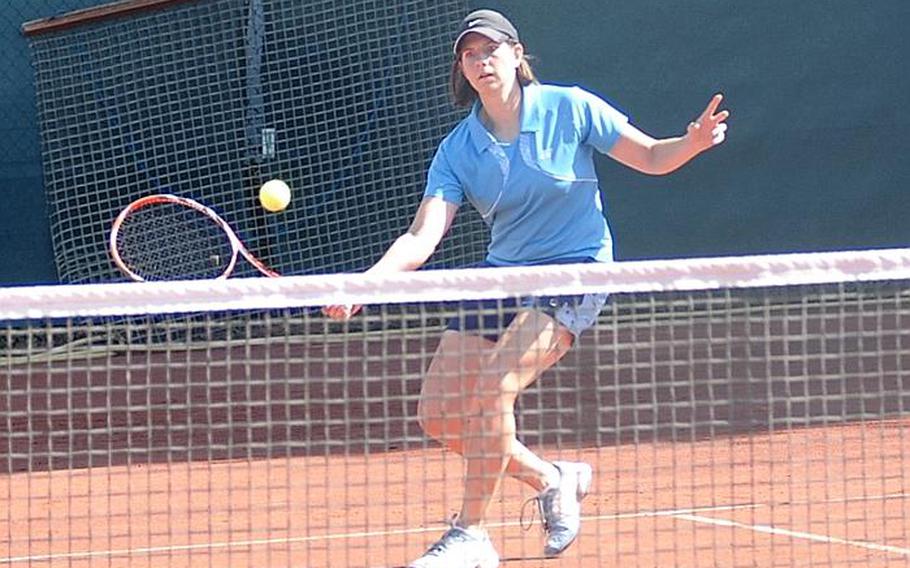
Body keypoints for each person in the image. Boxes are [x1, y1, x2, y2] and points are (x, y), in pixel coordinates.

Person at [324, 8, 729, 568]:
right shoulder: (459, 149)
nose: (481, 61)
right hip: (505, 272)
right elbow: (422, 234)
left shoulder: (571, 107)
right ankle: (552, 477)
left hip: (576, 268)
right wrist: (365, 284)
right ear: (463, 69)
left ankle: (470, 535)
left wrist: (692, 143)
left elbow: (652, 156)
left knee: (494, 388)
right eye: (470, 54)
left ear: (518, 55)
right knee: (438, 414)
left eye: (491, 50)